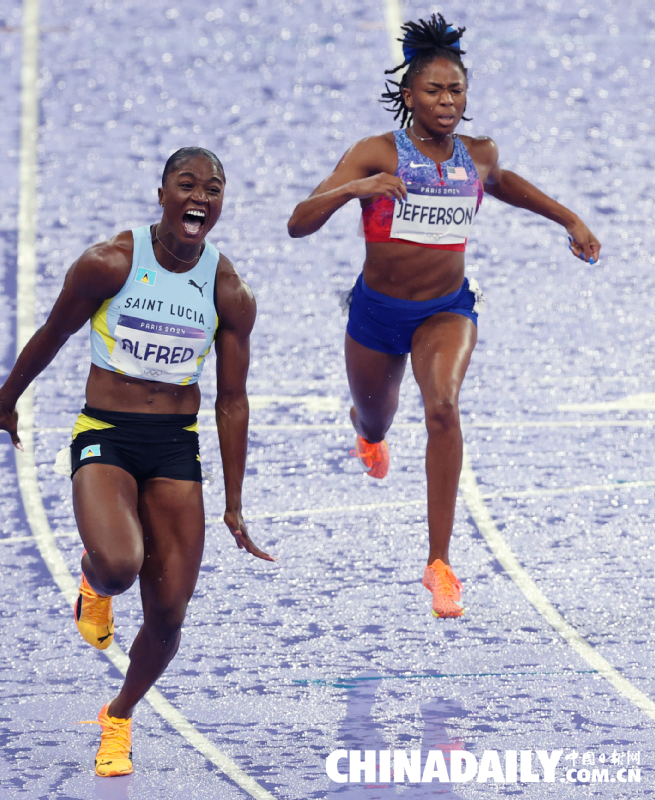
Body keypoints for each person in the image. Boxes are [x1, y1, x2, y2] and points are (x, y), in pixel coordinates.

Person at [0, 147, 274, 777]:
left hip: (176, 445)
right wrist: (8, 402)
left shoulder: (228, 290)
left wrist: (234, 501)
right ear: (161, 193)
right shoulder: (110, 263)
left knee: (170, 613)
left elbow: (232, 400)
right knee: (121, 564)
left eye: (213, 189)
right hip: (107, 432)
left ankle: (119, 716)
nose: (199, 198)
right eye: (187, 185)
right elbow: (52, 333)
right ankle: (94, 584)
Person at [287, 14, 600, 618]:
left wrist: (570, 220)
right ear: (409, 96)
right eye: (434, 90)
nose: (447, 101)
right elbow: (299, 222)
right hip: (376, 315)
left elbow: (507, 183)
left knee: (443, 407)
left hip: (446, 311)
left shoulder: (476, 156)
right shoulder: (376, 152)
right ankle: (368, 433)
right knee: (377, 418)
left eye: (456, 91)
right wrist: (358, 189)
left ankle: (439, 564)